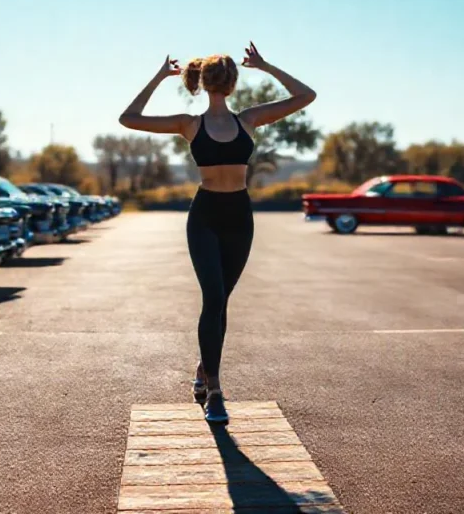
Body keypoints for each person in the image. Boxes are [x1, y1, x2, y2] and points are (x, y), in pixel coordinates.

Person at [119, 42, 316, 422]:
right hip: (206, 217)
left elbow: (306, 97)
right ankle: (215, 391)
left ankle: (202, 369)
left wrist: (161, 77)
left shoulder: (248, 120)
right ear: (230, 83)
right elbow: (128, 119)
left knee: (221, 300)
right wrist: (266, 67)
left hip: (238, 218)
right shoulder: (191, 124)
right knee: (213, 298)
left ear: (207, 82)